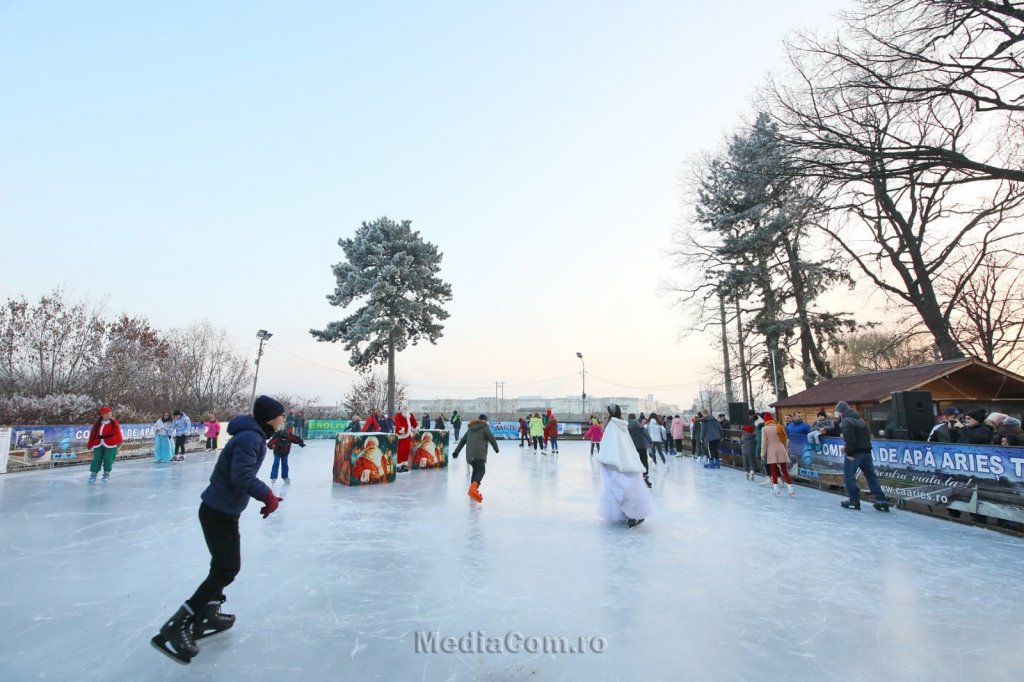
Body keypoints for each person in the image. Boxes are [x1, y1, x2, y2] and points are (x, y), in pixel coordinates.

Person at [150, 395, 285, 665]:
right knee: (226, 568)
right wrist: (267, 495)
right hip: (218, 512)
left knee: (223, 566)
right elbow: (241, 475)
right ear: (271, 418)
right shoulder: (251, 438)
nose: (285, 419)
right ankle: (177, 625)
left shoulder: (253, 435)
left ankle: (208, 613)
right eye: (282, 415)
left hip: (221, 509)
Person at [596, 404, 653, 528]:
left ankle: (629, 514)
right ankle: (631, 514)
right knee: (628, 488)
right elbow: (628, 445)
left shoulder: (612, 426)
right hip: (627, 462)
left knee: (617, 489)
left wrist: (604, 458)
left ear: (610, 413)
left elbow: (608, 444)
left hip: (614, 463)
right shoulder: (622, 425)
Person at [835, 401, 889, 512]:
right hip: (866, 451)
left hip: (855, 453)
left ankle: (854, 500)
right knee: (871, 475)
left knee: (849, 476)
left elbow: (850, 439)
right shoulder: (860, 420)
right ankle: (881, 501)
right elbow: (863, 437)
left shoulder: (846, 421)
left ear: (840, 411)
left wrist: (849, 453)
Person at [452, 414, 499, 503]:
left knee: (475, 471)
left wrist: (456, 452)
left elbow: (462, 441)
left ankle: (471, 493)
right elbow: (491, 438)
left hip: (470, 455)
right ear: (484, 420)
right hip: (479, 454)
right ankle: (473, 489)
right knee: (481, 470)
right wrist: (496, 448)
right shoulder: (484, 427)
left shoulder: (470, 428)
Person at [760, 413, 795, 497]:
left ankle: (776, 490)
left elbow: (764, 443)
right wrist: (785, 450)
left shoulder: (764, 429)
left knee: (773, 471)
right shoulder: (779, 427)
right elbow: (785, 440)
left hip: (772, 451)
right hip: (781, 449)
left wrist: (762, 453)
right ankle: (790, 489)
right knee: (784, 470)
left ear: (765, 421)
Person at [86, 406, 124, 483]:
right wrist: (90, 444)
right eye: (106, 414)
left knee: (108, 459)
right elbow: (92, 434)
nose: (108, 415)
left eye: (110, 413)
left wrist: (119, 442)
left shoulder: (114, 422)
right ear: (102, 415)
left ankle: (106, 474)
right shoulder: (97, 423)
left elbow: (118, 433)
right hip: (98, 443)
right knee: (97, 459)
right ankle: (93, 475)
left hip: (110, 443)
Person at [627, 413, 652, 488]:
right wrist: (650, 442)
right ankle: (645, 475)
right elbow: (646, 434)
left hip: (631, 448)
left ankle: (633, 477)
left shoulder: (626, 426)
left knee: (632, 461)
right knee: (644, 461)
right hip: (641, 447)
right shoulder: (639, 425)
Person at [393, 405, 418, 472]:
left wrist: (416, 427)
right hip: (401, 435)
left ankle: (404, 464)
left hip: (408, 435)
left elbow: (414, 422)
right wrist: (400, 429)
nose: (406, 409)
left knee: (406, 450)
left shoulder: (410, 415)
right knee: (400, 450)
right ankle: (398, 465)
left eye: (406, 407)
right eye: (404, 408)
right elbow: (398, 424)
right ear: (401, 408)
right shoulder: (398, 415)